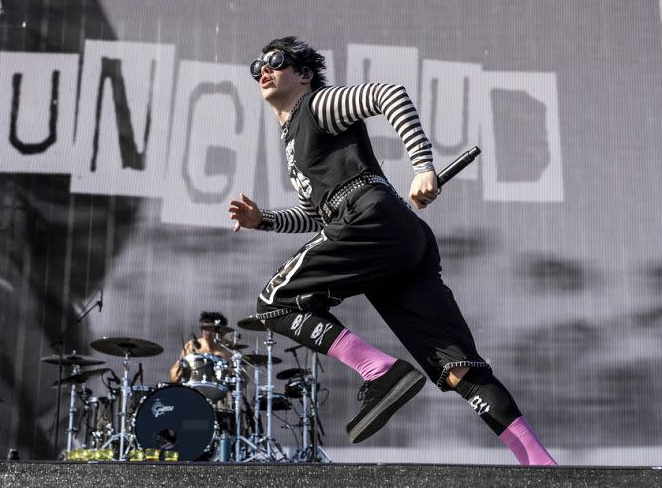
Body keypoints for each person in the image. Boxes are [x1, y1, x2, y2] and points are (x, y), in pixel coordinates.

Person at [228, 36, 556, 466]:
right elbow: (316, 216)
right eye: (257, 67)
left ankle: (378, 370)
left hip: (369, 217)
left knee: (274, 302)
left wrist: (423, 165)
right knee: (457, 369)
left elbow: (388, 94)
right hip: (393, 234)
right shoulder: (293, 139)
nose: (264, 71)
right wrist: (265, 220)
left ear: (304, 74)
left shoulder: (317, 106)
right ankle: (540, 464)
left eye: (276, 61)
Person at [169, 311, 234, 383]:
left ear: (222, 332)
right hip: (195, 389)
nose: (208, 333)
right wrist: (178, 375)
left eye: (212, 329)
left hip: (222, 389)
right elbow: (175, 369)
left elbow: (244, 376)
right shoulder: (191, 345)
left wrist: (232, 373)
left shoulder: (231, 349)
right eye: (205, 329)